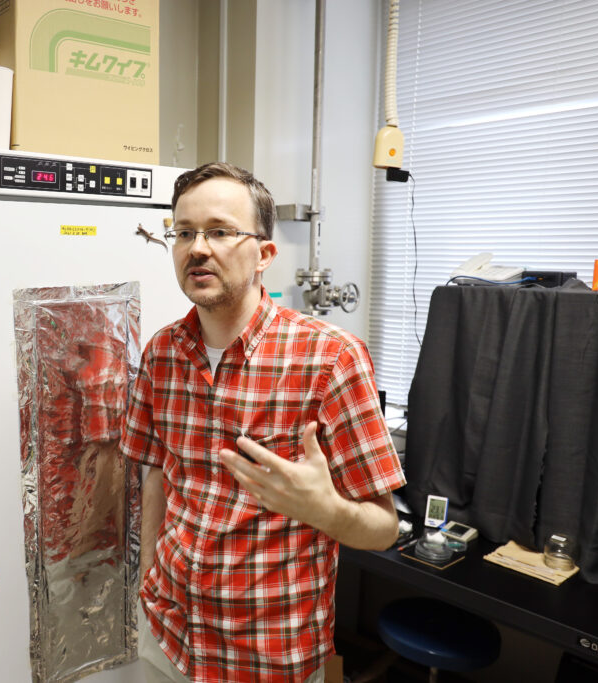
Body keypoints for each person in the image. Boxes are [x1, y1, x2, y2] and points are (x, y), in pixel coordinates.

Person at [120, 162, 406, 682]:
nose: (197, 248)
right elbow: (158, 472)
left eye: (220, 231)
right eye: (183, 233)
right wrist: (145, 577)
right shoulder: (162, 352)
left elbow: (385, 529)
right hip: (168, 632)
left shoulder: (330, 359)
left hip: (266, 654)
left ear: (265, 254)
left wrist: (324, 510)